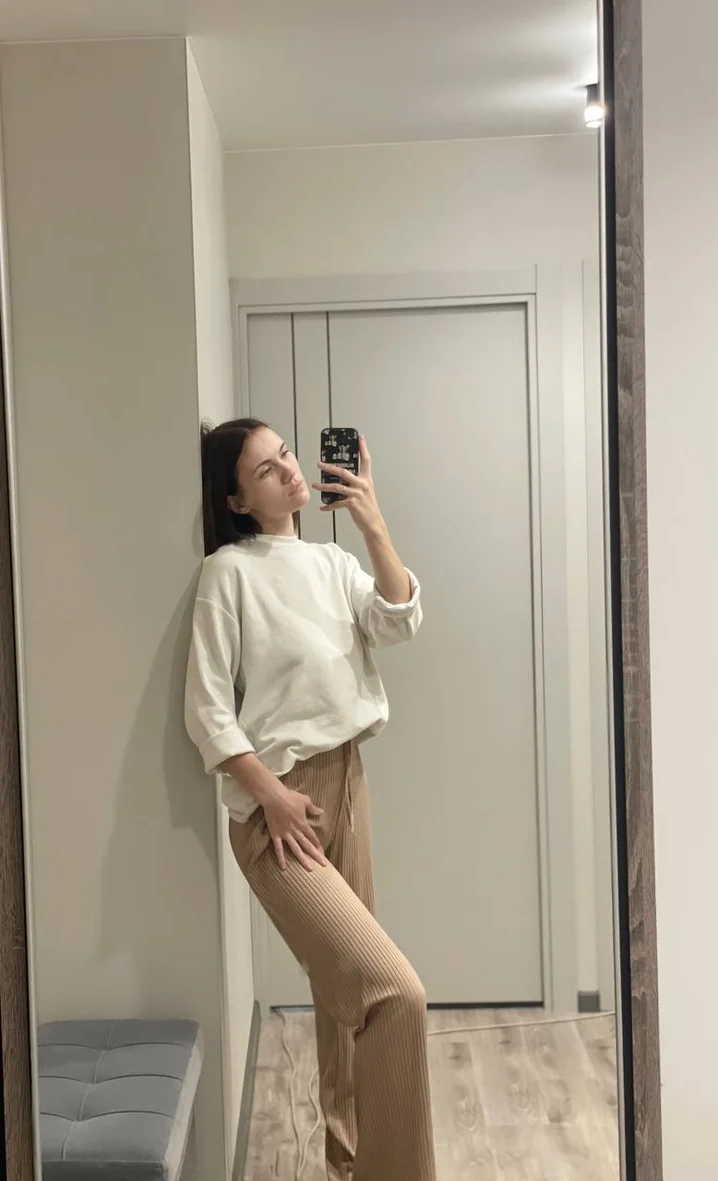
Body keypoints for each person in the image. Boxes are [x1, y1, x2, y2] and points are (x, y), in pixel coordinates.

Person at [184, 417, 437, 1181]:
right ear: (237, 499)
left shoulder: (332, 561)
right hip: (278, 810)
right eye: (266, 469)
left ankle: (349, 1161)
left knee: (344, 996)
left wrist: (372, 521)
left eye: (287, 454)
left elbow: (398, 620)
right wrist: (271, 798)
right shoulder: (228, 573)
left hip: (346, 782)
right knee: (396, 992)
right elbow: (207, 712)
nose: (290, 470)